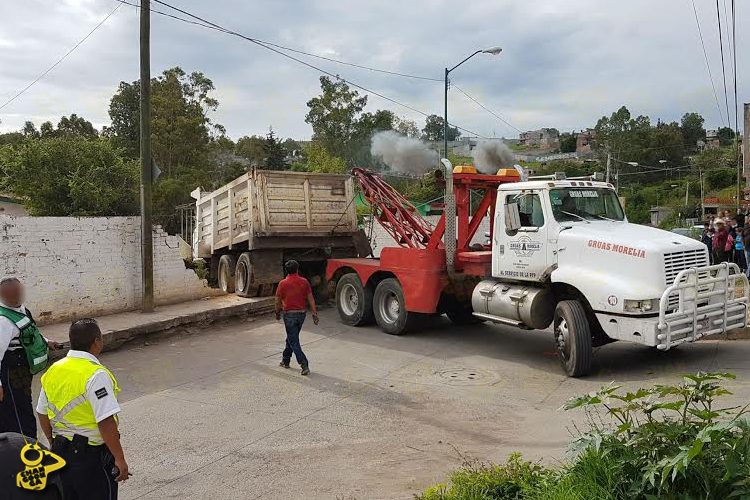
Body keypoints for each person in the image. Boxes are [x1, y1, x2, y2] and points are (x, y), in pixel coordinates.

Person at [37, 318, 129, 499]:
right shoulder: (95, 374)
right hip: (91, 458)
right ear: (97, 342)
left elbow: (42, 412)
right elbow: (105, 420)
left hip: (60, 452)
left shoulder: (54, 370)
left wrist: (52, 441)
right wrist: (119, 458)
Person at [0, 277, 61, 438]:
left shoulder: (21, 310)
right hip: (10, 373)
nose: (17, 296)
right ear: (2, 296)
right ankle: (24, 449)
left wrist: (47, 342)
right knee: (17, 414)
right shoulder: (3, 321)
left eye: (19, 292)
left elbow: (30, 333)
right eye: (13, 294)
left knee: (24, 405)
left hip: (23, 371)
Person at [275, 260, 318, 376]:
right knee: (291, 338)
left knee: (293, 340)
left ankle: (304, 364)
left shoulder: (282, 283)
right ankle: (285, 360)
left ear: (286, 270)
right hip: (301, 315)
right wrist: (314, 313)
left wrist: (277, 312)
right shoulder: (304, 282)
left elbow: (278, 300)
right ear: (297, 269)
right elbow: (310, 298)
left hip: (289, 315)